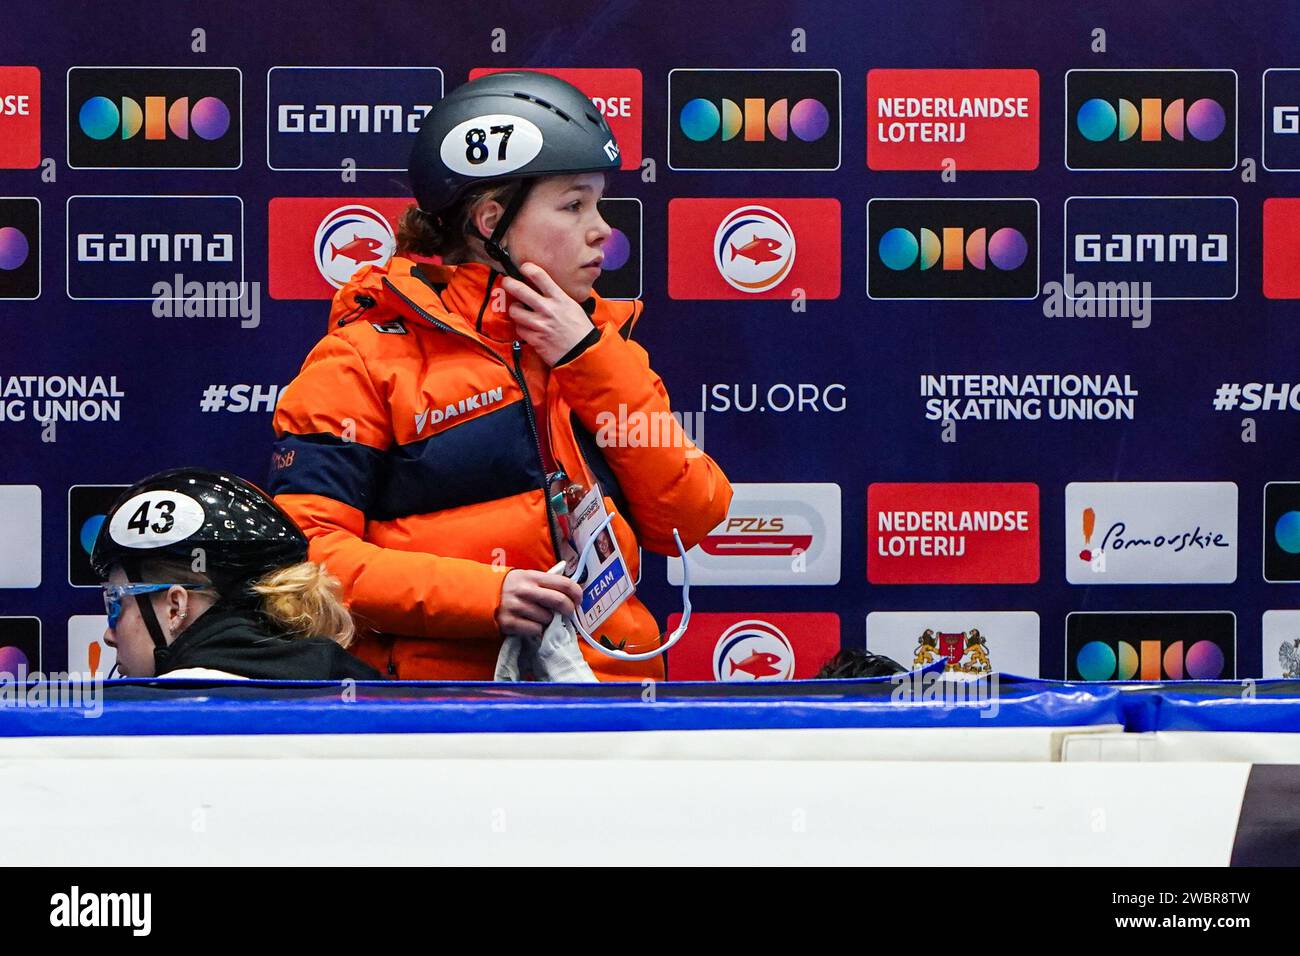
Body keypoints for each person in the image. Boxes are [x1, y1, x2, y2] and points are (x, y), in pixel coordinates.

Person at [269, 71, 732, 681]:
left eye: (599, 203)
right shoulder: (359, 361)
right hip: (443, 719)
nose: (603, 230)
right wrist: (486, 595)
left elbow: (690, 518)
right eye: (573, 205)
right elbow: (306, 563)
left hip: (609, 705)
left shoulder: (602, 350)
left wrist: (589, 360)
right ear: (490, 221)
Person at [91, 467, 382, 680]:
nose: (109, 634)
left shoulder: (150, 721)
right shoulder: (360, 686)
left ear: (175, 607)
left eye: (115, 603)